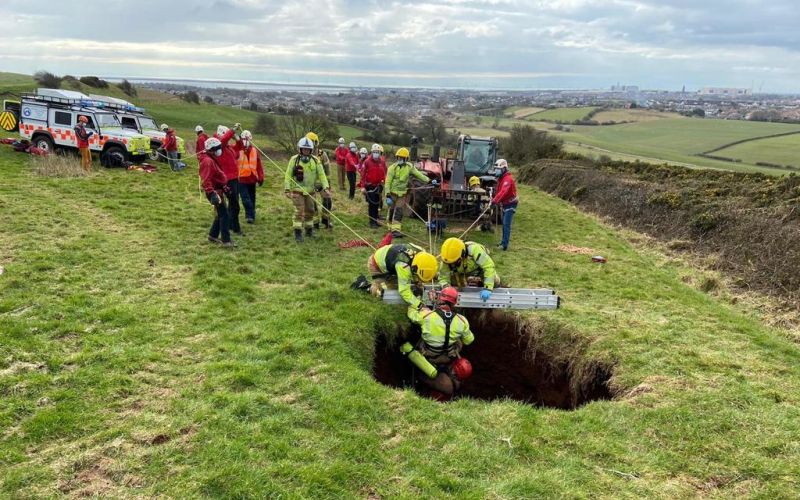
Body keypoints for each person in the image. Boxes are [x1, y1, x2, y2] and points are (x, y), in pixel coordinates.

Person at [401, 286, 474, 399]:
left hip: (429, 357)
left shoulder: (427, 316)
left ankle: (419, 377)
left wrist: (417, 303)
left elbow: (411, 314)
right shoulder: (462, 320)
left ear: (440, 299)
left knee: (420, 337)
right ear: (454, 303)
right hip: (449, 357)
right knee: (459, 340)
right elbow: (469, 340)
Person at [366, 243, 439, 309]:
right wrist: (419, 305)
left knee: (406, 286)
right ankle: (372, 289)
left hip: (390, 257)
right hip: (376, 265)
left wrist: (418, 282)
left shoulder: (422, 253)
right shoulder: (404, 266)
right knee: (393, 293)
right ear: (414, 269)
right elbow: (404, 291)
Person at [284, 137, 329, 242]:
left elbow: (322, 174)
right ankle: (298, 233)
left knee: (310, 211)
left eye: (308, 149)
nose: (306, 151)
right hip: (297, 191)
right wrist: (287, 189)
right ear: (300, 149)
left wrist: (326, 187)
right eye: (304, 149)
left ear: (311, 150)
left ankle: (309, 230)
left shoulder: (315, 161)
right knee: (299, 211)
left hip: (310, 191)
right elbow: (288, 175)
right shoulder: (294, 160)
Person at [385, 147, 435, 238]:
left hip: (402, 194)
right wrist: (387, 195)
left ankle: (396, 231)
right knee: (391, 210)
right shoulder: (392, 168)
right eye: (399, 157)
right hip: (392, 194)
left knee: (399, 211)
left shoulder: (409, 167)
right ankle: (389, 227)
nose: (400, 159)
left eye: (402, 158)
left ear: (406, 159)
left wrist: (429, 181)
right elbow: (388, 182)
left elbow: (419, 175)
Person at [198, 137, 234, 247]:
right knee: (224, 215)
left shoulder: (211, 158)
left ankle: (212, 236)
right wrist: (212, 193)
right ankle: (226, 241)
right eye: (218, 148)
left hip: (218, 189)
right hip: (214, 192)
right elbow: (206, 180)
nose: (220, 150)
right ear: (212, 149)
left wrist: (224, 186)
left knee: (220, 214)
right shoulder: (208, 161)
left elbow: (215, 176)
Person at [439, 238, 500, 302]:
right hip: (460, 272)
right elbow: (443, 278)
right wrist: (447, 288)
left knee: (494, 281)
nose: (452, 265)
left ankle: (483, 283)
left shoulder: (475, 250)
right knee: (456, 286)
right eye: (450, 263)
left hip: (479, 270)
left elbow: (488, 267)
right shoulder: (447, 258)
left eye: (455, 262)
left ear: (462, 254)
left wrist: (488, 288)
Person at [214, 123, 243, 236]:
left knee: (233, 204)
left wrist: (237, 138)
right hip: (227, 180)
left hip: (234, 178)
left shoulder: (227, 147)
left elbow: (239, 148)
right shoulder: (218, 146)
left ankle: (231, 225)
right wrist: (233, 130)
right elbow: (223, 140)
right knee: (235, 205)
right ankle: (235, 228)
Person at [306, 132, 333, 229]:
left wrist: (328, 185)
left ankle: (326, 220)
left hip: (322, 183)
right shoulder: (304, 155)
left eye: (313, 142)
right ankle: (315, 223)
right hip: (310, 184)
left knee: (327, 202)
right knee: (312, 205)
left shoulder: (322, 154)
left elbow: (327, 170)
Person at [235, 130, 264, 224]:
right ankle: (250, 212)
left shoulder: (255, 150)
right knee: (245, 199)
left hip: (252, 178)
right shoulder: (238, 150)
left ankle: (250, 216)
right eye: (244, 139)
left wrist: (261, 177)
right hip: (241, 179)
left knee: (252, 198)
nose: (246, 141)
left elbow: (259, 165)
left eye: (247, 139)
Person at [491, 159, 518, 251]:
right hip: (505, 204)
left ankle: (504, 245)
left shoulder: (507, 179)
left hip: (510, 204)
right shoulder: (501, 179)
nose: (496, 171)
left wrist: (495, 201)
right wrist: (494, 199)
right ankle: (503, 242)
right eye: (496, 169)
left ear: (503, 169)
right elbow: (499, 192)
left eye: (498, 169)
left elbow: (503, 192)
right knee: (504, 224)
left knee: (506, 224)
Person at [359, 144, 386, 228]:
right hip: (370, 186)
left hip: (379, 186)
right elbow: (363, 175)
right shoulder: (367, 162)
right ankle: (372, 222)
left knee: (377, 204)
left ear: (380, 153)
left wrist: (383, 182)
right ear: (372, 152)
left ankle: (375, 220)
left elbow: (385, 172)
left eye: (377, 152)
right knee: (372, 205)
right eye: (374, 152)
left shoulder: (382, 162)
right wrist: (362, 187)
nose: (376, 153)